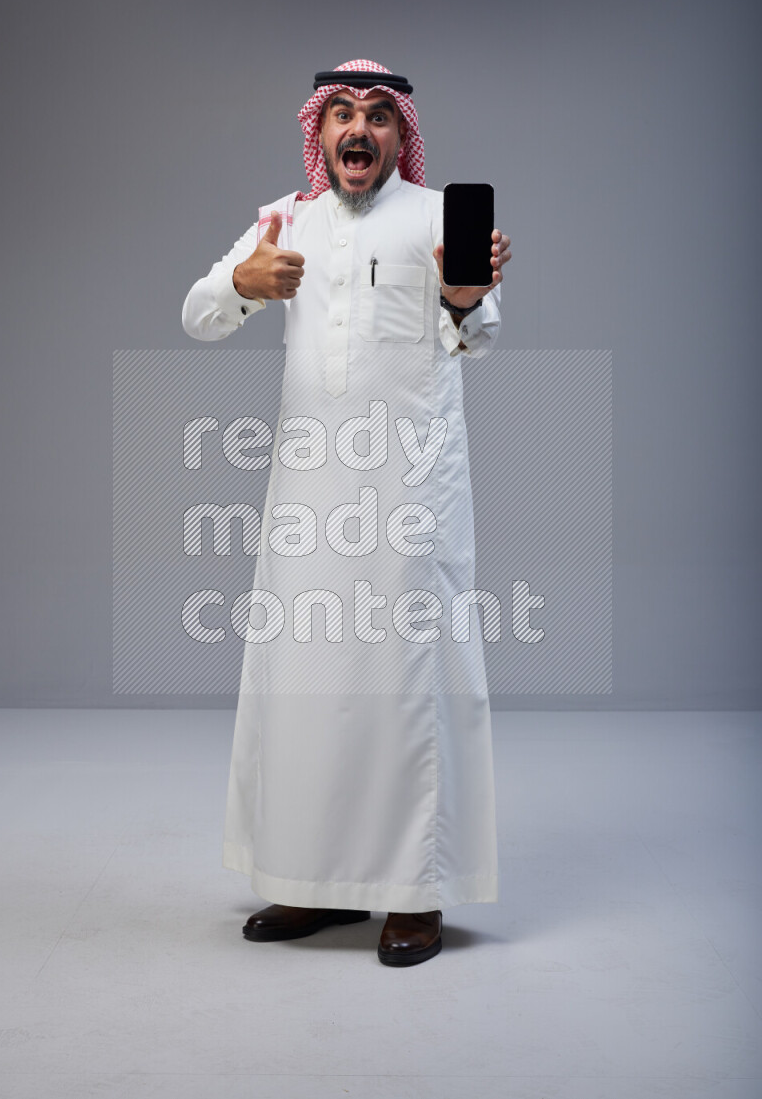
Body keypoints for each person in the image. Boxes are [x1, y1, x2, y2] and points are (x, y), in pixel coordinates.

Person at [182, 59, 512, 967]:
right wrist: (244, 282)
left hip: (410, 494)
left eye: (377, 115)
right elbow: (197, 315)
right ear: (319, 133)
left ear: (401, 134)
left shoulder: (439, 215)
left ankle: (414, 893)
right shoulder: (283, 220)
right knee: (306, 684)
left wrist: (462, 300)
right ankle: (309, 878)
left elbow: (482, 337)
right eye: (340, 114)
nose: (358, 129)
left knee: (406, 686)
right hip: (307, 496)